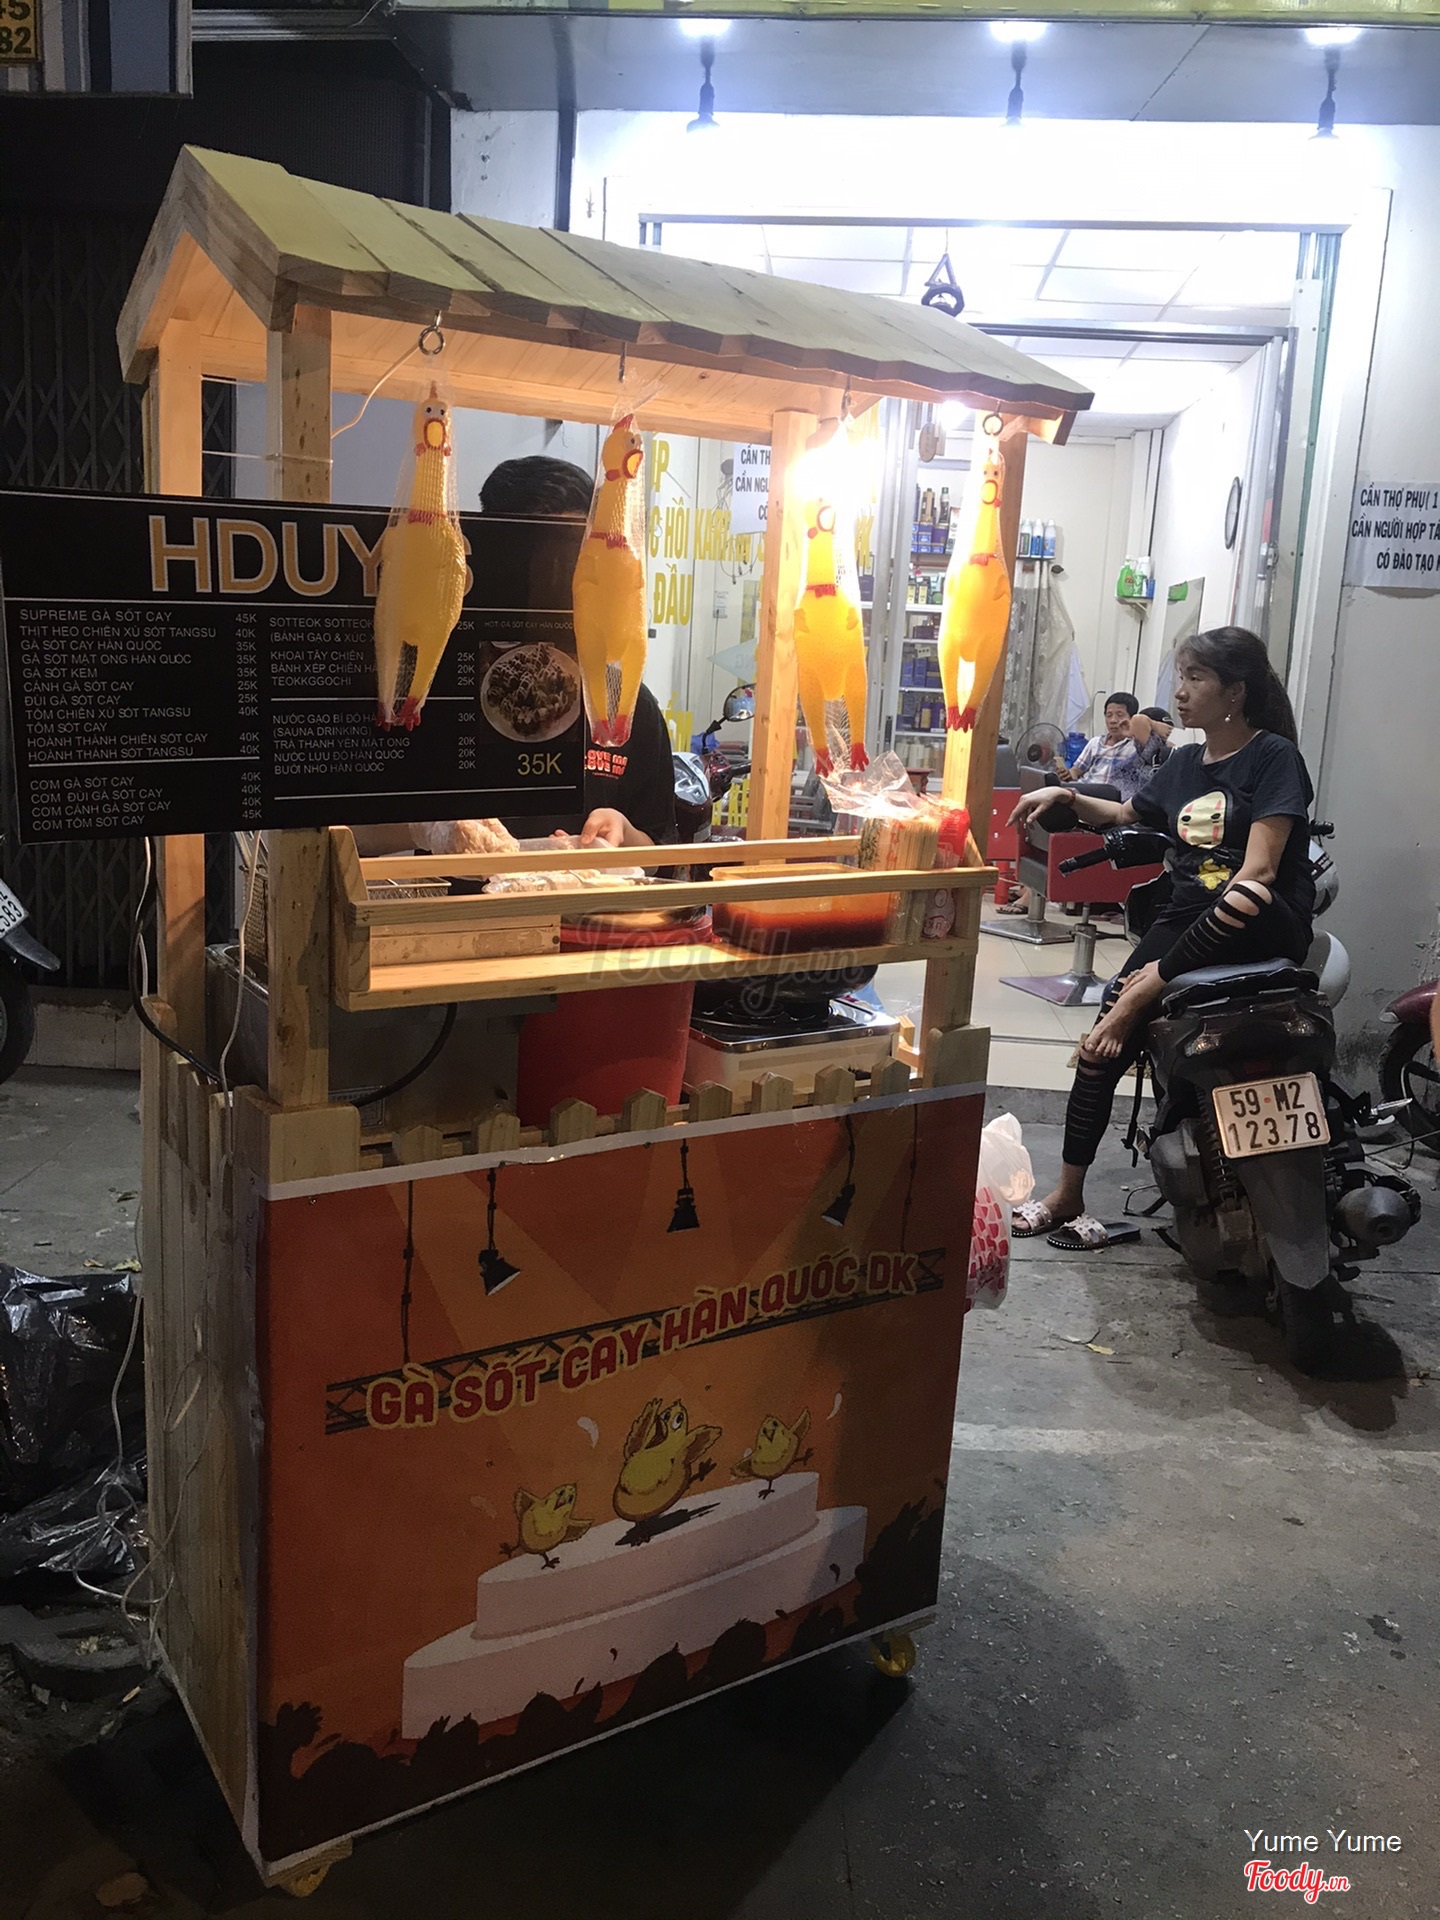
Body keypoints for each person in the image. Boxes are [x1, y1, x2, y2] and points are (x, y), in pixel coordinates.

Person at [1006, 627, 1317, 1250]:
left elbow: (1259, 871)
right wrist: (1067, 794)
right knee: (1099, 1049)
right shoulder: (1182, 764)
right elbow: (1127, 814)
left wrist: (1156, 977)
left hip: (1259, 919)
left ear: (1235, 691)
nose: (1179, 691)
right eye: (1180, 676)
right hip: (1189, 919)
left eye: (1195, 678)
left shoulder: (1273, 756)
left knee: (1240, 898)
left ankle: (1146, 990)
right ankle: (1067, 1193)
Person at [480, 456, 676, 850]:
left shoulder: (625, 703)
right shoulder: (444, 690)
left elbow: (658, 850)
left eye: (573, 558)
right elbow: (362, 833)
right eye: (537, 559)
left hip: (585, 893)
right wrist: (433, 825)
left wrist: (622, 830)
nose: (559, 580)